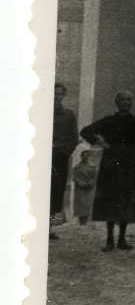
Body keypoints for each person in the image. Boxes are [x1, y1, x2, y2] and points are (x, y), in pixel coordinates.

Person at [80, 91, 135, 251]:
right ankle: (110, 239)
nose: (126, 103)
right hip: (112, 162)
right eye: (123, 100)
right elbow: (85, 131)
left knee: (126, 198)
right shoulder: (109, 121)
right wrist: (102, 143)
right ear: (117, 102)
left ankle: (122, 239)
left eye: (129, 100)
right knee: (112, 199)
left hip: (130, 162)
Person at [50, 82, 78, 239]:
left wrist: (64, 152)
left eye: (60, 94)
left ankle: (51, 229)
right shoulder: (41, 111)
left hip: (60, 157)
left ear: (63, 96)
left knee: (57, 192)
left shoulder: (69, 114)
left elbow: (74, 138)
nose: (57, 96)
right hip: (42, 157)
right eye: (54, 93)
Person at [70, 147, 99, 225]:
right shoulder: (77, 167)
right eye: (84, 156)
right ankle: (81, 222)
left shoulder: (93, 166)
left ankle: (86, 221)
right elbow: (74, 176)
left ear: (89, 156)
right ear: (81, 156)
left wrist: (90, 183)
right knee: (80, 205)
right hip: (80, 189)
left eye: (87, 156)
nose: (85, 157)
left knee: (87, 204)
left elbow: (95, 176)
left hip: (89, 189)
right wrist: (81, 183)